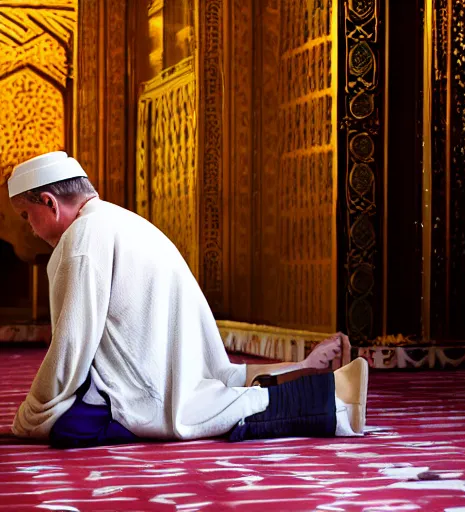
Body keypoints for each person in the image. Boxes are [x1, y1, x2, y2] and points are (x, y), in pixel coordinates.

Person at [7, 151, 369, 448]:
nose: (32, 229)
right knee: (208, 390)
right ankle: (322, 386)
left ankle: (333, 400)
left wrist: (32, 410)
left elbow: (71, 346)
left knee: (69, 426)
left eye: (28, 216)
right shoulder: (119, 220)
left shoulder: (82, 239)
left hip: (148, 387)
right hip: (172, 370)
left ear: (50, 203)